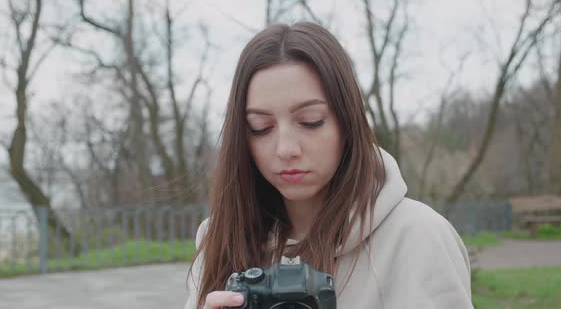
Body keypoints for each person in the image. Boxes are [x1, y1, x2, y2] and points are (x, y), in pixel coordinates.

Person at [185, 22, 473, 309]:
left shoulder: (417, 236)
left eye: (311, 121)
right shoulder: (217, 238)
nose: (286, 149)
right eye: (260, 127)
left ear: (347, 123)